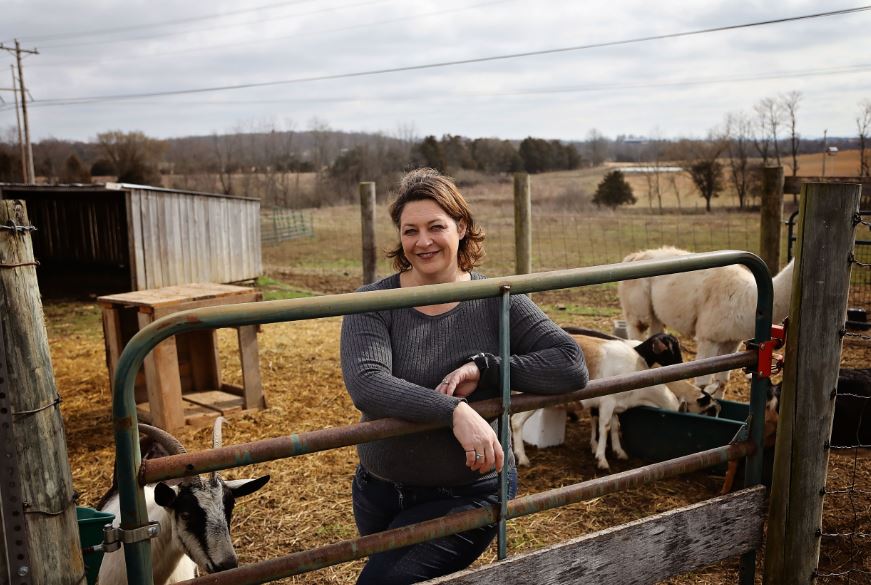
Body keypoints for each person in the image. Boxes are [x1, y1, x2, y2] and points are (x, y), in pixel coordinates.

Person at [340, 168, 588, 584]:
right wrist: (455, 410)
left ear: (462, 226)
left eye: (436, 226)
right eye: (410, 230)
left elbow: (570, 363)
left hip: (466, 494)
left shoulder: (495, 299)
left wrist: (488, 369)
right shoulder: (373, 302)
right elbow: (367, 383)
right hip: (379, 488)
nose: (423, 242)